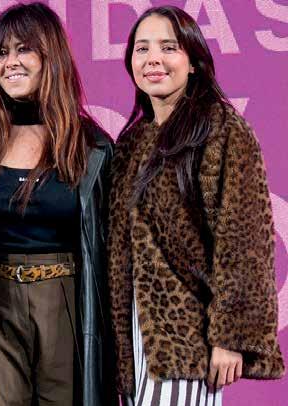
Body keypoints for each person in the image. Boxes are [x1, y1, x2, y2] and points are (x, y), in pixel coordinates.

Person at [107, 5, 285, 406]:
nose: (153, 59)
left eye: (168, 47)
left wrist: (231, 337)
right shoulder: (131, 142)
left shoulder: (221, 129)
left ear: (193, 62)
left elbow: (245, 240)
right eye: (142, 48)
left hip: (188, 340)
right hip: (135, 341)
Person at [0, 3, 115, 405]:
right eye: (1, 53)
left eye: (24, 49)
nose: (10, 62)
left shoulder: (92, 147)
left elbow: (115, 250)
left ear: (50, 56)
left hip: (67, 300)